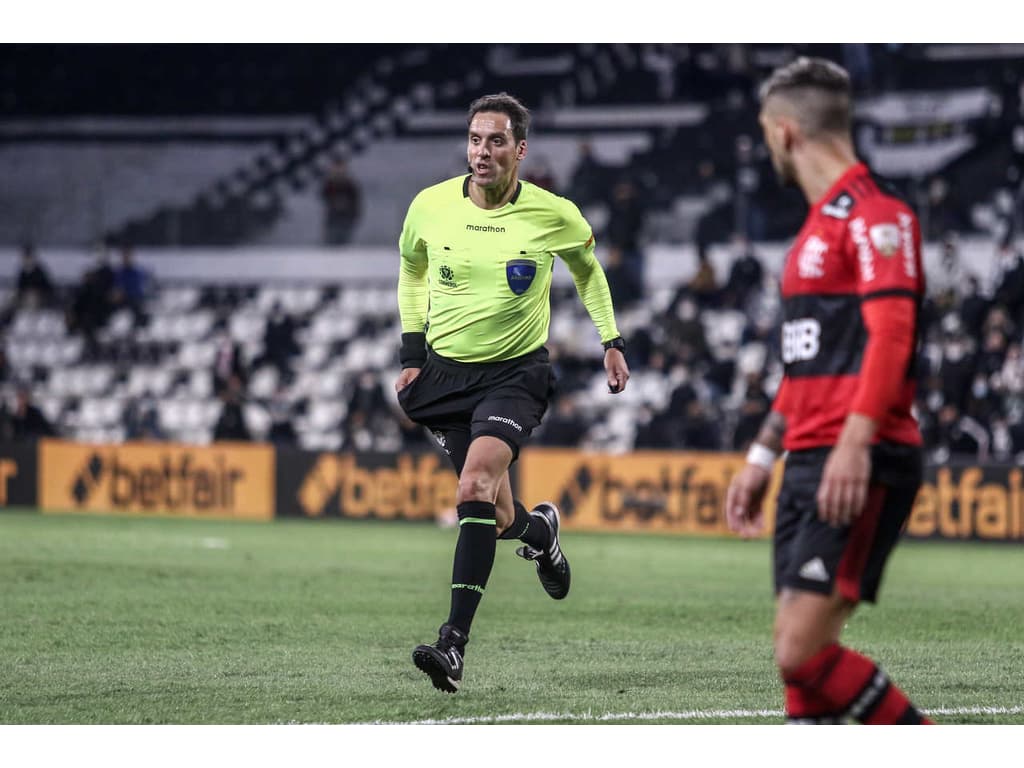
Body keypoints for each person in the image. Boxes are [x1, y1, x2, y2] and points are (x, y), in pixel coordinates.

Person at [396, 92, 629, 693]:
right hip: (446, 375)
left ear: (519, 150)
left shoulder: (555, 214)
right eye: (475, 140)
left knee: (472, 486)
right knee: (496, 514)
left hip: (515, 375)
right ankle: (541, 534)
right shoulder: (429, 206)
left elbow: (586, 269)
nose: (482, 152)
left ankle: (453, 645)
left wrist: (611, 338)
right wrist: (412, 352)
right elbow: (412, 268)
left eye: (496, 141)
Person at [724, 58, 933, 725]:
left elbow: (892, 335)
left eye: (764, 134)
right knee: (802, 682)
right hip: (809, 456)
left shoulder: (878, 216)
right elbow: (804, 368)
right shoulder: (816, 230)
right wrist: (763, 457)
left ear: (785, 133)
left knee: (799, 651)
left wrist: (855, 441)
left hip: (860, 457)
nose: (766, 149)